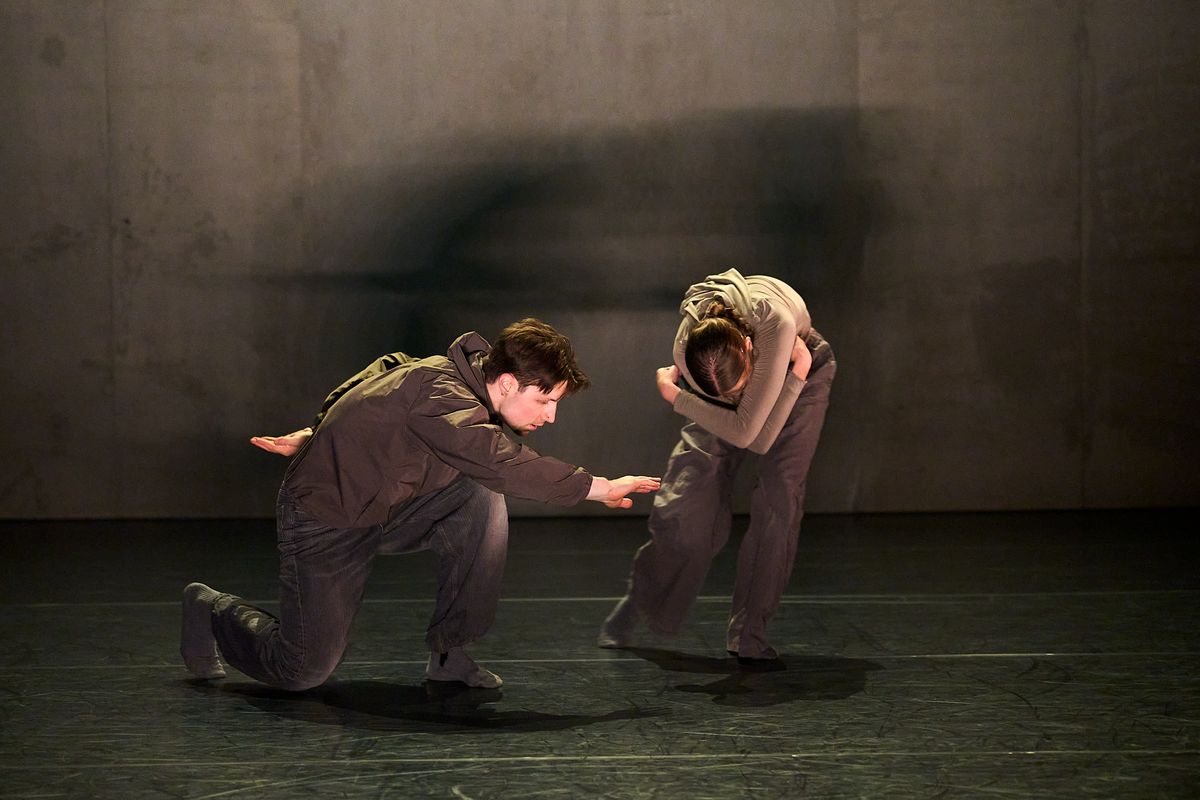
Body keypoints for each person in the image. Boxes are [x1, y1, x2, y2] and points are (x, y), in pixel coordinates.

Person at [181, 318, 660, 690]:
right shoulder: (442, 396)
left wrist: (318, 428)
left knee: (480, 496)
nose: (550, 416)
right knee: (303, 669)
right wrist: (599, 487)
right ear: (508, 383)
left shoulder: (452, 376)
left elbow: (386, 365)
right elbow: (502, 462)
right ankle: (209, 609)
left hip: (393, 505)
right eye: (545, 400)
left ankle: (449, 654)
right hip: (328, 518)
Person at [597, 269, 835, 666]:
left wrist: (675, 396)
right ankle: (642, 601)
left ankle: (750, 633)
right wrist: (706, 399)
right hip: (723, 384)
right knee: (687, 498)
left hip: (798, 366)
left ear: (747, 346)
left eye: (739, 389)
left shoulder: (773, 327)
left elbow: (755, 438)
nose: (736, 397)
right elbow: (738, 425)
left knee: (779, 498)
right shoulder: (689, 349)